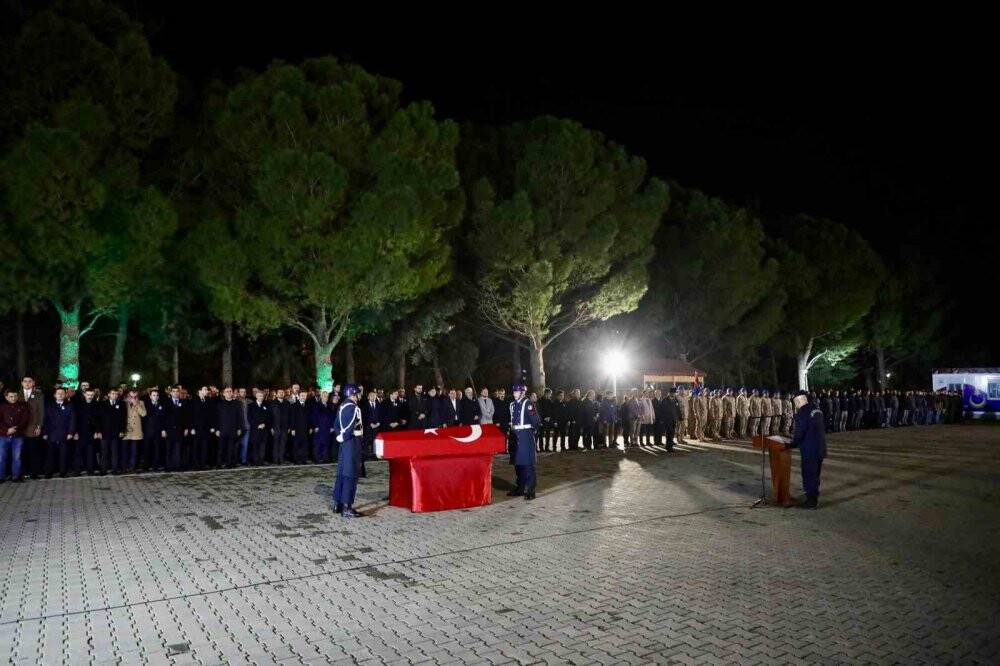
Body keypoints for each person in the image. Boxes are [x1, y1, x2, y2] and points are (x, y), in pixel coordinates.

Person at [785, 390, 827, 509]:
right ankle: (813, 497)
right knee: (815, 475)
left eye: (795, 402)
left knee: (808, 475)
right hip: (820, 448)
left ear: (799, 400)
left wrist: (792, 444)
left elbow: (800, 432)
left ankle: (811, 502)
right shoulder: (817, 409)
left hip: (809, 449)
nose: (795, 404)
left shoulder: (802, 413)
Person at [333, 384, 365, 517]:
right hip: (351, 443)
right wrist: (344, 436)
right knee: (350, 475)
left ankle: (338, 504)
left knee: (342, 473)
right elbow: (350, 426)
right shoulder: (354, 408)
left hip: (344, 445)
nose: (360, 396)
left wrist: (339, 436)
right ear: (354, 394)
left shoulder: (341, 406)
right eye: (358, 393)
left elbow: (336, 425)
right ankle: (347, 507)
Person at [507, 383, 540, 500]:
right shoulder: (512, 405)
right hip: (515, 436)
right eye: (514, 391)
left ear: (522, 393)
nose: (514, 394)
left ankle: (531, 490)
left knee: (528, 464)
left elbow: (536, 421)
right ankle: (520, 488)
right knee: (518, 465)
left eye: (516, 392)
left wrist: (532, 433)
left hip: (526, 436)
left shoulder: (528, 404)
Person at [43, 387, 76, 478]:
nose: (60, 395)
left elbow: (72, 420)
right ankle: (49, 472)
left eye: (62, 393)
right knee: (50, 455)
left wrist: (71, 433)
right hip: (51, 434)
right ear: (55, 395)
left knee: (63, 454)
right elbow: (45, 420)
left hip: (64, 434)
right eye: (58, 393)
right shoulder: (49, 405)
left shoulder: (70, 405)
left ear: (65, 395)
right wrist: (45, 433)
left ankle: (63, 472)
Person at [1, 388, 31, 482]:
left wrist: (15, 429)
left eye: (15, 396)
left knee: (17, 457)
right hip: (3, 436)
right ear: (6, 397)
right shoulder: (1, 407)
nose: (13, 398)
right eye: (11, 396)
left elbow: (25, 420)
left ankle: (16, 477)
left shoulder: (23, 406)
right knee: (1, 457)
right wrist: (6, 430)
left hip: (18, 436)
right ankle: (1, 477)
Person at [20, 377, 45, 478]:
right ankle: (22, 473)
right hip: (19, 429)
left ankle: (34, 473)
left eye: (30, 381)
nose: (27, 383)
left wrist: (39, 426)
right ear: (22, 383)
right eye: (25, 381)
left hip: (33, 428)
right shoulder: (17, 394)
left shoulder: (39, 395)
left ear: (33, 383)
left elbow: (41, 412)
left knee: (33, 451)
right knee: (21, 452)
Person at [99, 388, 126, 475]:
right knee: (104, 452)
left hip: (116, 432)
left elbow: (123, 418)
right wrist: (99, 431)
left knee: (115, 452)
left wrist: (122, 430)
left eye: (116, 394)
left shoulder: (121, 404)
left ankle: (115, 470)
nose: (115, 395)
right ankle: (103, 470)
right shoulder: (103, 404)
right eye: (113, 393)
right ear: (109, 394)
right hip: (105, 432)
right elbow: (100, 419)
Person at [216, 387, 243, 467]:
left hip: (233, 429)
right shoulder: (219, 404)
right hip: (222, 429)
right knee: (221, 448)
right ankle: (219, 463)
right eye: (227, 391)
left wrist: (239, 428)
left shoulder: (237, 404)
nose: (229, 393)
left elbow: (240, 417)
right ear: (223, 394)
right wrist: (217, 429)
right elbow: (217, 418)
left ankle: (230, 463)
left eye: (230, 391)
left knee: (231, 447)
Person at [247, 389, 272, 465]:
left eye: (262, 396)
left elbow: (269, 417)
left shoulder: (267, 405)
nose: (261, 397)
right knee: (255, 446)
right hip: (255, 429)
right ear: (256, 396)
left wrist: (264, 424)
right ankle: (255, 461)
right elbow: (249, 418)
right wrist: (257, 425)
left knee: (263, 446)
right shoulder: (251, 406)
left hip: (264, 429)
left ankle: (261, 461)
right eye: (259, 396)